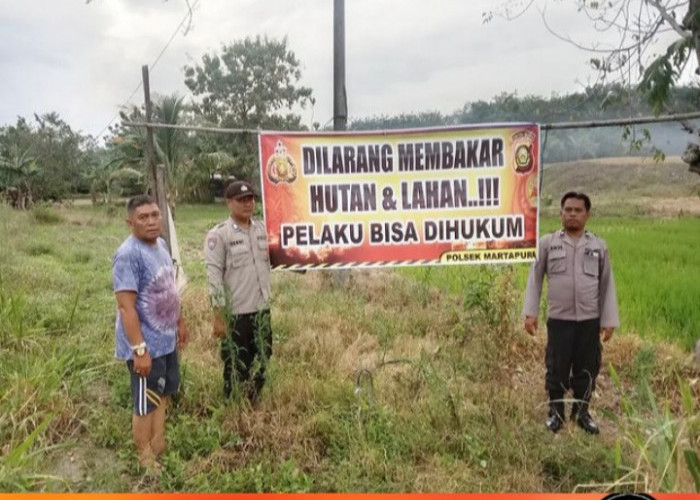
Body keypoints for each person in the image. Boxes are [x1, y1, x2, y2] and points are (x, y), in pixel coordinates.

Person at [523, 191, 619, 434]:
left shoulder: (598, 246)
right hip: (559, 320)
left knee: (587, 368)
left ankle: (581, 413)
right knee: (556, 367)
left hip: (589, 321)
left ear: (587, 214)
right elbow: (534, 279)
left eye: (578, 210)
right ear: (560, 213)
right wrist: (530, 313)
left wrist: (608, 320)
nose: (572, 214)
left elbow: (607, 284)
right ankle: (556, 413)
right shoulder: (547, 243)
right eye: (568, 209)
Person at [113, 195, 188, 469]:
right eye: (143, 217)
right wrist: (139, 350)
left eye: (155, 215)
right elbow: (125, 307)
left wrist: (179, 322)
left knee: (162, 394)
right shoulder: (128, 254)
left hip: (166, 340)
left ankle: (158, 444)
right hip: (146, 346)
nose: (151, 221)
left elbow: (170, 287)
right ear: (130, 222)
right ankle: (144, 458)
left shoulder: (162, 246)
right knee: (145, 403)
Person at [204, 180, 272, 402]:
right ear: (229, 203)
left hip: (261, 308)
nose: (248, 204)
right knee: (236, 363)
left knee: (263, 357)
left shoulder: (263, 229)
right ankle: (233, 405)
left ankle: (253, 401)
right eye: (242, 200)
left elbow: (282, 255)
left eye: (251, 199)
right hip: (237, 313)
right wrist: (219, 316)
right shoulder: (219, 235)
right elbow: (214, 278)